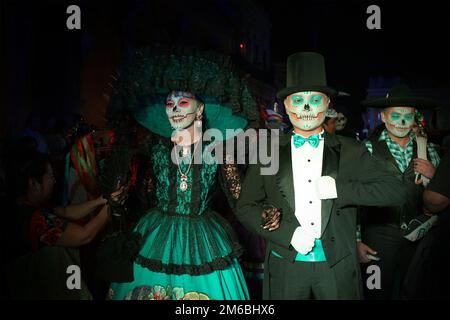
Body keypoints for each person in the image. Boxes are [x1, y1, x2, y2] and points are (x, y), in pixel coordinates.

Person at [236, 52, 407, 300]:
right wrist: (288, 234)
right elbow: (246, 206)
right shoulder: (268, 151)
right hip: (286, 264)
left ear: (327, 105)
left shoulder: (350, 149)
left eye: (315, 100)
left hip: (337, 266)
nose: (306, 108)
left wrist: (341, 189)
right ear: (286, 106)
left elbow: (396, 190)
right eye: (298, 100)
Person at [103, 47, 257, 300]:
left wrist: (266, 213)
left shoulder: (218, 149)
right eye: (170, 103)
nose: (175, 108)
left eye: (183, 102)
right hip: (156, 235)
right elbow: (143, 196)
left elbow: (239, 199)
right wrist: (119, 200)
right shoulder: (156, 148)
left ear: (200, 110)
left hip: (204, 240)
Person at [358, 83, 440, 299]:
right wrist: (357, 240)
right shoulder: (366, 149)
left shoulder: (429, 150)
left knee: (416, 291)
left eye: (408, 116)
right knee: (374, 291)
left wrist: (435, 176)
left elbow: (443, 196)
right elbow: (353, 199)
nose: (402, 122)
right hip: (376, 239)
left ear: (415, 117)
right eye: (395, 115)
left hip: (419, 238)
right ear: (383, 117)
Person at [4, 152, 111, 299]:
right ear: (33, 183)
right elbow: (84, 236)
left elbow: (68, 211)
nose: (54, 181)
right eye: (50, 176)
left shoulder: (24, 204)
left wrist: (102, 200)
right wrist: (111, 207)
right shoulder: (36, 220)